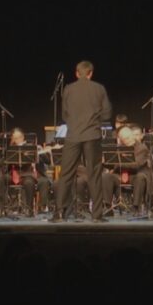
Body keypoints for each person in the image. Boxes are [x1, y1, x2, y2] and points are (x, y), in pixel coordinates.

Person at [51, 60, 113, 222]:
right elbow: (107, 114)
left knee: (66, 174)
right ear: (91, 73)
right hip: (92, 135)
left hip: (73, 135)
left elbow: (64, 115)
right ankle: (97, 216)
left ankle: (59, 213)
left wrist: (75, 123)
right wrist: (94, 120)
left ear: (77, 73)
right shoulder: (99, 88)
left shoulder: (68, 89)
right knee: (94, 174)